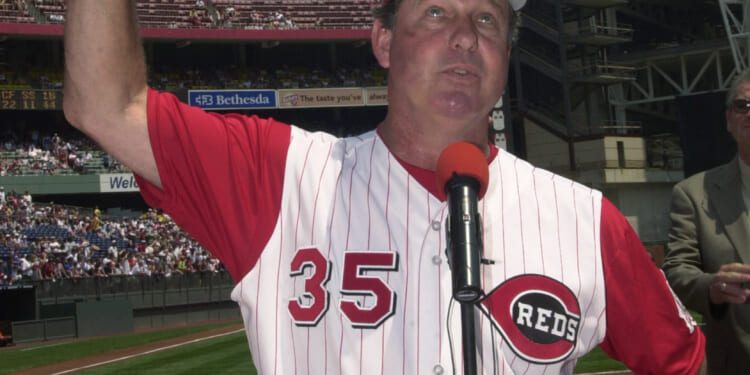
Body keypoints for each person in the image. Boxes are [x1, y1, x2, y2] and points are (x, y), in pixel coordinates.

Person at [63, 0, 706, 374]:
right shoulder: (278, 173)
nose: (464, 36)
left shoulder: (584, 219)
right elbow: (104, 104)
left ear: (506, 53)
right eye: (435, 12)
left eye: (487, 20)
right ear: (383, 42)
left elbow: (682, 361)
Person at [662, 68, 750, 375]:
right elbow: (675, 272)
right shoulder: (693, 194)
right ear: (729, 119)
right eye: (743, 106)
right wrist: (710, 286)